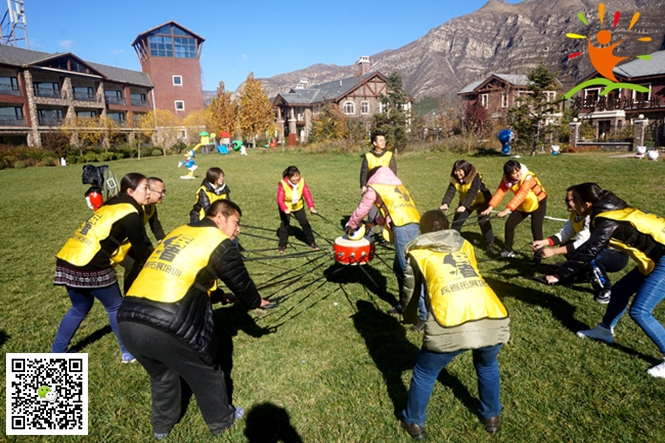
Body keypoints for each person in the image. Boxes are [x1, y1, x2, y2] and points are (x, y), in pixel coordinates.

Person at [117, 200, 272, 439]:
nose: (238, 229)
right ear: (220, 217)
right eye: (236, 222)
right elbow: (240, 281)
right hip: (165, 323)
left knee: (162, 375)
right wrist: (255, 301)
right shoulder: (218, 241)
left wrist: (219, 296)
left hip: (128, 318)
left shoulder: (179, 232)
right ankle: (222, 421)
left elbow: (184, 275)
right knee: (206, 371)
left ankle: (161, 427)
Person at [399, 210, 510, 439]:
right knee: (487, 364)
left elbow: (410, 292)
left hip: (449, 320)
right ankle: (492, 416)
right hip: (491, 312)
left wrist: (409, 317)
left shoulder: (418, 253)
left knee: (425, 371)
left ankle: (413, 421)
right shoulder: (464, 245)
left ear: (420, 232)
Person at [544, 183, 665, 379]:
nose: (568, 204)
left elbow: (589, 251)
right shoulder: (610, 209)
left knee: (640, 311)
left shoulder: (607, 220)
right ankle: (604, 330)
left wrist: (561, 274)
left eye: (572, 200)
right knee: (619, 291)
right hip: (656, 258)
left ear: (587, 204)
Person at [52, 173, 152, 363]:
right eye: (145, 188)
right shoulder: (130, 213)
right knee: (115, 306)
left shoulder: (112, 205)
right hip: (90, 263)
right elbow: (141, 247)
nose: (149, 192)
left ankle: (57, 352)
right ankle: (128, 353)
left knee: (79, 307)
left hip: (67, 258)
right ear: (130, 192)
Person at [530, 186, 628, 303]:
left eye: (568, 200)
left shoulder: (591, 217)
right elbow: (565, 233)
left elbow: (583, 244)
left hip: (616, 256)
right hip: (596, 249)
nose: (565, 202)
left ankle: (604, 290)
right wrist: (544, 242)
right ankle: (584, 274)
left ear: (582, 202)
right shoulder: (576, 214)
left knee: (589, 256)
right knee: (570, 245)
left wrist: (553, 252)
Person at [346, 166, 420, 310]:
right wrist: (373, 223)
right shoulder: (396, 186)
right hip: (414, 223)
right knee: (399, 267)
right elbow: (390, 210)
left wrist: (351, 224)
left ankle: (422, 313)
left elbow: (363, 207)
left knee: (408, 272)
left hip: (402, 226)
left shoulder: (376, 186)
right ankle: (403, 304)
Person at [480, 160, 547, 261]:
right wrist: (490, 207)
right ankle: (508, 250)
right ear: (508, 175)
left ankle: (538, 257)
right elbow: (500, 191)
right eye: (514, 173)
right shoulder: (506, 179)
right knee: (509, 225)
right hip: (523, 204)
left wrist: (507, 210)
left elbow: (521, 194)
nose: (517, 174)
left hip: (538, 202)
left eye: (518, 171)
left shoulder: (528, 177)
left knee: (536, 228)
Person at [112, 177, 167, 294]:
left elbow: (155, 224)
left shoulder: (151, 206)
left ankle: (141, 291)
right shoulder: (136, 208)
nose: (163, 195)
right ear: (148, 190)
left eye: (164, 192)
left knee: (145, 261)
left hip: (130, 241)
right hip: (115, 244)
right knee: (132, 264)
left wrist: (163, 241)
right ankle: (129, 294)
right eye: (161, 192)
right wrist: (149, 251)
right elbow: (139, 235)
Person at [440, 159, 496, 254]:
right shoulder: (455, 179)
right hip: (466, 202)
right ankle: (452, 242)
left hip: (482, 201)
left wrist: (464, 206)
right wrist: (445, 203)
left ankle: (490, 243)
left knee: (483, 221)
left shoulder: (475, 177)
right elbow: (450, 191)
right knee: (457, 222)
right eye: (455, 170)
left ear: (466, 170)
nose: (457, 173)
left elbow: (473, 192)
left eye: (459, 171)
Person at [360, 132, 397, 242]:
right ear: (374, 143)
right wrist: (363, 185)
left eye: (384, 140)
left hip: (386, 190)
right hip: (372, 189)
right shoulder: (368, 156)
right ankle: (369, 236)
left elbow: (393, 173)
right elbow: (364, 172)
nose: (383, 142)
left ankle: (385, 237)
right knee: (371, 214)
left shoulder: (389, 155)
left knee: (385, 215)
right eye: (380, 140)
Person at [277, 165, 319, 253]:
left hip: (298, 206)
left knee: (305, 223)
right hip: (286, 206)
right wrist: (285, 209)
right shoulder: (283, 184)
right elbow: (279, 199)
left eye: (297, 176)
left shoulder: (302, 181)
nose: (296, 178)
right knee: (285, 225)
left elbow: (307, 194)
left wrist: (311, 207)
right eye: (293, 176)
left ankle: (311, 242)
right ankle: (282, 244)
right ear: (289, 177)